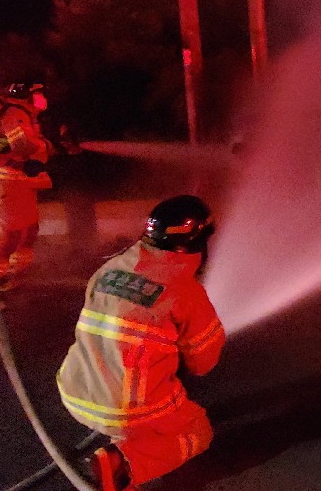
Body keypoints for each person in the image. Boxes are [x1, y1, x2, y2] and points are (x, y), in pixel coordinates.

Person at [56, 195, 226, 491]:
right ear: (199, 243)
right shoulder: (185, 291)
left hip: (74, 391)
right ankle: (121, 464)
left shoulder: (109, 269)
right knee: (197, 431)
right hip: (126, 409)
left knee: (137, 403)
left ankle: (127, 441)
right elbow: (202, 364)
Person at [0, 82, 54, 292]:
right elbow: (21, 144)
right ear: (26, 95)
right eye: (39, 94)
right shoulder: (14, 112)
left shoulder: (24, 114)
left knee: (27, 228)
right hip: (8, 174)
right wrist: (46, 146)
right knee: (8, 231)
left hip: (19, 175)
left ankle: (15, 272)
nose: (43, 99)